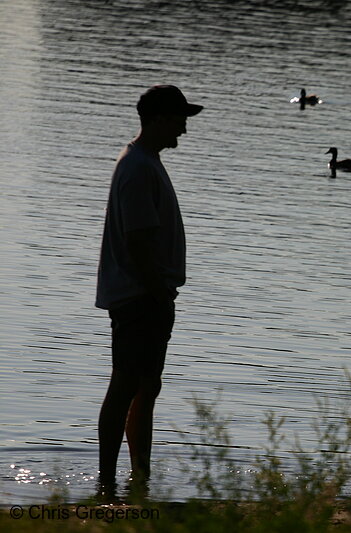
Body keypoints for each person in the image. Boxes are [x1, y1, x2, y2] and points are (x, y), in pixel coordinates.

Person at [95, 85, 203, 494]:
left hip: (147, 295)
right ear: (158, 119)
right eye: (179, 120)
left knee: (146, 386)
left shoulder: (145, 161)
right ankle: (109, 483)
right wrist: (159, 294)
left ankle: (139, 477)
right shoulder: (138, 167)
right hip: (139, 297)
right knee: (125, 384)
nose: (184, 130)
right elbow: (139, 242)